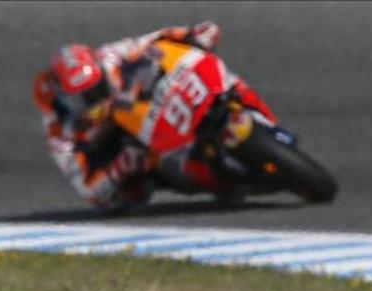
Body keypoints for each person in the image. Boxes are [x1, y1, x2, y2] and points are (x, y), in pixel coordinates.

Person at [32, 21, 276, 211]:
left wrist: (192, 35)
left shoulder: (111, 56)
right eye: (80, 98)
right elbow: (90, 191)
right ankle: (224, 182)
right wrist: (122, 165)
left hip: (158, 102)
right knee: (163, 170)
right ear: (62, 98)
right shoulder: (59, 132)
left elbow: (156, 40)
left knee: (226, 81)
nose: (90, 101)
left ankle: (267, 120)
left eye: (94, 90)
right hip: (137, 151)